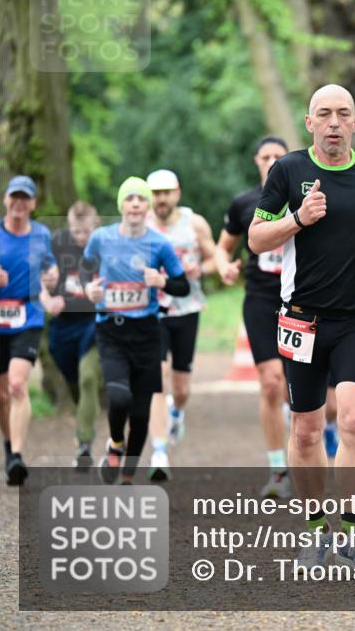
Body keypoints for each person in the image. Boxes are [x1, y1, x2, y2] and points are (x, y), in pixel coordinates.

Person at [248, 84, 355, 568]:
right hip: (302, 318)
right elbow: (257, 239)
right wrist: (298, 218)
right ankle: (317, 532)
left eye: (343, 114)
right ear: (310, 123)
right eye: (325, 114)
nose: (335, 122)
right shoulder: (289, 170)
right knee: (305, 430)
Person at [82, 177, 189, 484]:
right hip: (111, 332)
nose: (135, 204)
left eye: (141, 199)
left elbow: (182, 285)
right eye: (129, 198)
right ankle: (116, 442)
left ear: (148, 206)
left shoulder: (160, 243)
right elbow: (83, 274)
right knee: (118, 398)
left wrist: (162, 282)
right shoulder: (101, 238)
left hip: (147, 334)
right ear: (121, 205)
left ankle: (127, 476)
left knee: (141, 414)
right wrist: (89, 290)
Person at [216, 136, 295, 498]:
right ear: (256, 161)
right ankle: (278, 470)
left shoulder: (304, 199)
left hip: (302, 301)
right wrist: (224, 267)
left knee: (306, 393)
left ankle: (308, 445)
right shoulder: (244, 203)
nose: (272, 161)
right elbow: (224, 246)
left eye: (279, 156)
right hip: (261, 300)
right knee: (270, 381)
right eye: (266, 156)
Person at [145, 168, 217, 481]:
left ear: (177, 193)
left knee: (182, 387)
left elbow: (217, 258)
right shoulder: (140, 224)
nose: (161, 199)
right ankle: (159, 451)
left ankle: (176, 412)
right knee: (156, 376)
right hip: (153, 310)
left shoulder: (194, 223)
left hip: (187, 308)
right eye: (155, 193)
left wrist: (199, 268)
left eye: (166, 192)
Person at [0, 176, 58, 485]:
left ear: (33, 203)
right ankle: (9, 450)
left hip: (28, 316)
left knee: (18, 385)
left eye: (25, 198)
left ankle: (18, 456)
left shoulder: (41, 234)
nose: (19, 203)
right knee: (1, 395)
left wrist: (51, 278)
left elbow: (49, 267)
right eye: (14, 197)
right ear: (6, 200)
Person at [47, 201, 102, 469]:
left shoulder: (104, 247)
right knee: (74, 381)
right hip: (63, 327)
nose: (81, 238)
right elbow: (40, 279)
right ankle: (86, 414)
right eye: (76, 232)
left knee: (89, 378)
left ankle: (84, 445)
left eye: (86, 232)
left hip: (93, 323)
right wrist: (48, 299)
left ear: (96, 227)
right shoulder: (58, 244)